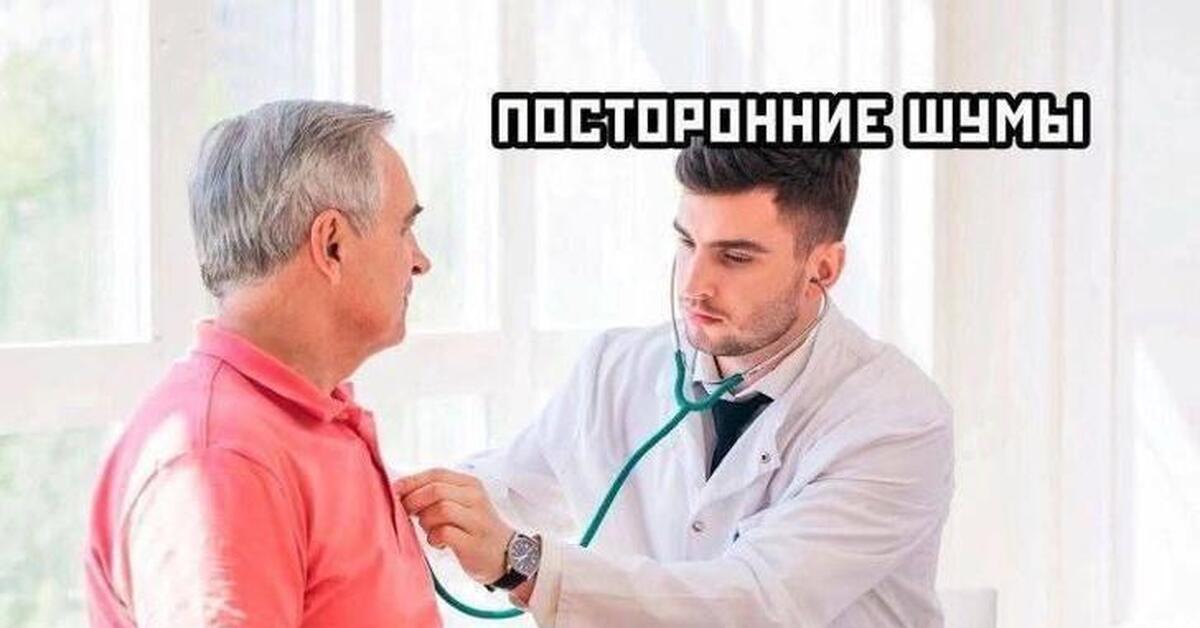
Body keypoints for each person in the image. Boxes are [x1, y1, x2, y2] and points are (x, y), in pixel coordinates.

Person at [396, 145, 955, 626]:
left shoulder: (894, 418)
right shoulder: (616, 369)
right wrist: (397, 498)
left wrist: (524, 564)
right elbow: (509, 492)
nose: (694, 284)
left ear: (823, 269)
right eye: (687, 243)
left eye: (735, 257)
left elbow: (757, 603)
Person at [86, 100, 441, 627]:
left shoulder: (307, 417)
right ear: (332, 245)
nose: (421, 261)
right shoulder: (220, 461)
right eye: (403, 229)